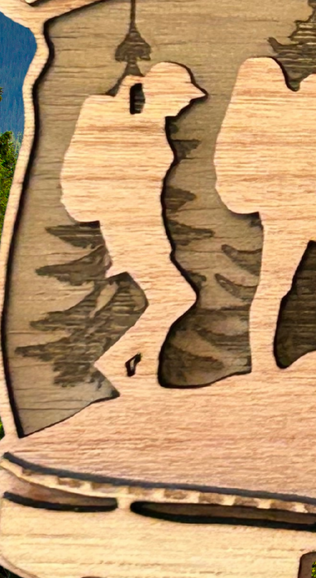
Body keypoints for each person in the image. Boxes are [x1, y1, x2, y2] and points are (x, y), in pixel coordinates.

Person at [215, 43, 316, 372]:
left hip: (301, 201)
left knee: (287, 278)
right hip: (289, 204)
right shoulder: (312, 100)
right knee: (280, 281)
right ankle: (268, 361)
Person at [59, 60, 206, 390]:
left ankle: (140, 373)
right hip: (128, 227)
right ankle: (119, 361)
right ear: (163, 94)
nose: (187, 102)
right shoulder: (124, 123)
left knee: (174, 297)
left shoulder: (148, 125)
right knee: (177, 297)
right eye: (182, 96)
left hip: (146, 229)